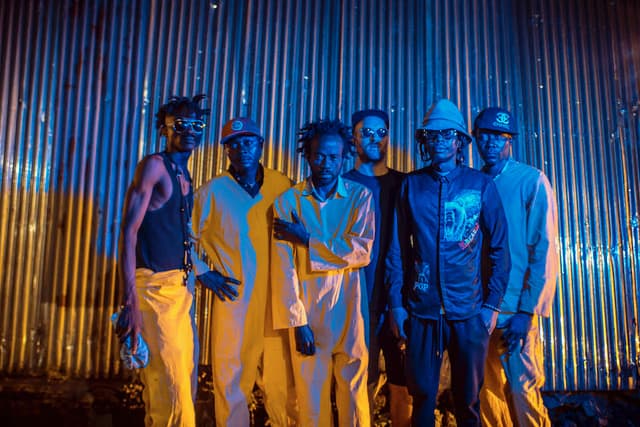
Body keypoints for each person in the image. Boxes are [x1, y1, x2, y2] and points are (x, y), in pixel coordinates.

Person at [386, 99, 511, 426]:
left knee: (468, 400)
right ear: (424, 140)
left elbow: (500, 248)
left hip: (469, 311)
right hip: (422, 310)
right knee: (422, 397)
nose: (439, 140)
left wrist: (492, 305)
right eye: (432, 135)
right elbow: (398, 250)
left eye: (447, 134)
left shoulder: (480, 185)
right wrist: (397, 304)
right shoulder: (411, 185)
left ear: (459, 142)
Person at [117, 94, 239, 426]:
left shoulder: (183, 173)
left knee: (180, 380)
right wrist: (130, 302)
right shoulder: (154, 166)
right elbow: (128, 233)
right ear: (164, 128)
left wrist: (200, 273)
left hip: (180, 291)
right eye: (181, 124)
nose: (190, 131)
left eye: (197, 124)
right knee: (172, 388)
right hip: (155, 289)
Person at [192, 117, 295, 427]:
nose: (242, 149)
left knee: (283, 379)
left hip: (278, 298)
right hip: (236, 297)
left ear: (261, 145)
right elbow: (183, 236)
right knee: (232, 377)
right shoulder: (212, 192)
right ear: (226, 151)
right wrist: (202, 272)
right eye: (233, 144)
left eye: (248, 142)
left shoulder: (282, 185)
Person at [271, 119, 375, 426]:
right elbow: (284, 267)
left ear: (344, 157)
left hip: (350, 310)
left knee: (354, 396)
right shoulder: (289, 201)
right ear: (308, 155)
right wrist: (297, 322)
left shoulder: (359, 197)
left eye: (333, 157)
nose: (326, 163)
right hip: (309, 312)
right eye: (319, 156)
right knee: (311, 400)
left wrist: (307, 240)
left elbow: (361, 250)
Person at [473, 107, 559, 427]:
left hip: (515, 310)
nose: (490, 142)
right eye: (484, 135)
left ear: (510, 140)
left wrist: (528, 311)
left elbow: (544, 248)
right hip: (480, 307)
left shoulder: (531, 180)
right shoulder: (474, 182)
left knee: (523, 389)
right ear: (476, 138)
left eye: (499, 136)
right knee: (485, 389)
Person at [343, 109, 411, 425]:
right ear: (353, 138)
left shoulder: (405, 184)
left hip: (400, 301)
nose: (375, 138)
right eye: (366, 132)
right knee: (361, 382)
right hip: (358, 302)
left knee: (403, 382)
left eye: (381, 132)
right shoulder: (342, 185)